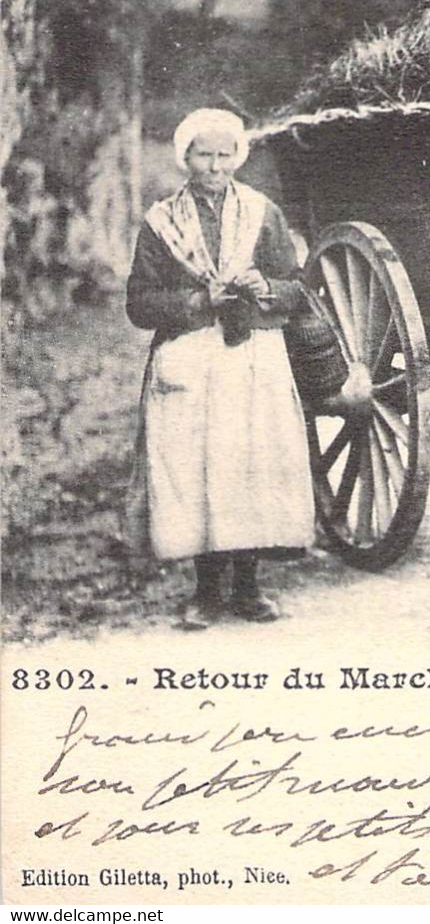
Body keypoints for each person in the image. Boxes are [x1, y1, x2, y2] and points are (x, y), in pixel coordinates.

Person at [125, 108, 314, 629]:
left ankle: (249, 588)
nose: (214, 166)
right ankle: (206, 592)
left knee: (248, 464)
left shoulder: (261, 212)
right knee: (196, 467)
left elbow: (297, 287)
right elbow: (139, 303)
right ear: (184, 158)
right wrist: (194, 300)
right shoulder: (162, 223)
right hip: (191, 354)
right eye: (203, 155)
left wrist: (266, 288)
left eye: (224, 154)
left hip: (252, 351)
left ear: (239, 157)